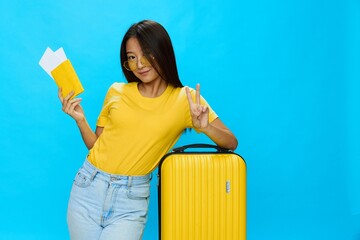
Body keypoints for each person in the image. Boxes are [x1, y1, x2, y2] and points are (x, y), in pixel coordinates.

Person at [59, 20, 238, 240]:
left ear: (163, 52)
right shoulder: (116, 91)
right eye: (131, 57)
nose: (139, 64)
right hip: (88, 187)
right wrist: (80, 120)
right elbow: (97, 145)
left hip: (131, 199)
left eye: (146, 54)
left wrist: (206, 126)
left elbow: (231, 142)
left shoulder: (186, 99)